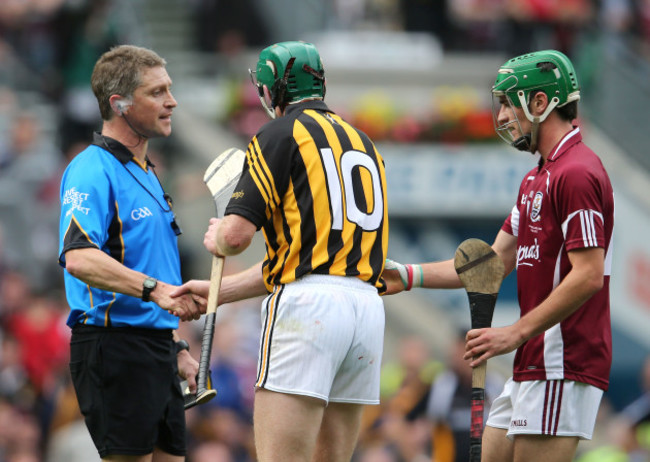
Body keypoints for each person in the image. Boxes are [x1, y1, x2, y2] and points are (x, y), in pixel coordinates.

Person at [384, 49, 614, 462]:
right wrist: (407, 275)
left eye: (510, 102)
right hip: (534, 362)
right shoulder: (535, 179)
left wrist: (514, 332)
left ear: (541, 103)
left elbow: (588, 274)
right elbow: (490, 263)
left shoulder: (577, 172)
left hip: (562, 362)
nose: (504, 115)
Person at [173, 40, 389, 462]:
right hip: (366, 310)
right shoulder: (364, 142)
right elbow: (303, 258)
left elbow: (236, 238)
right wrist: (218, 292)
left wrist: (218, 235)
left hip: (307, 310)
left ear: (270, 91)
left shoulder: (276, 133)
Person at [57, 44, 202, 462]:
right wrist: (155, 291)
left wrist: (174, 346)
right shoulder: (91, 168)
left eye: (169, 89)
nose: (171, 101)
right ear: (119, 104)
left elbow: (147, 267)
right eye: (156, 92)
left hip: (155, 347)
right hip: (113, 346)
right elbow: (79, 256)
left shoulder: (146, 171)